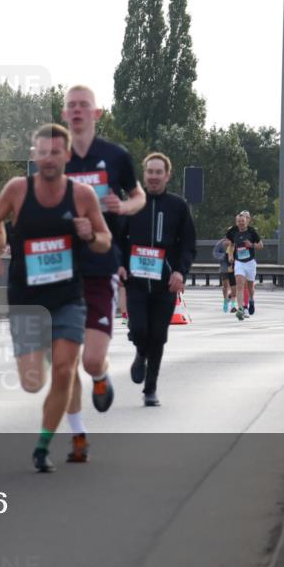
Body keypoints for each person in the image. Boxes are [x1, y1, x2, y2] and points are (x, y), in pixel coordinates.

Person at [0, 124, 111, 472]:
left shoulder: (82, 195)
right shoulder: (17, 189)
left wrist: (90, 234)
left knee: (65, 369)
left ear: (66, 155)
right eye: (42, 152)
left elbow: (105, 241)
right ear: (33, 155)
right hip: (26, 299)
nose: (49, 159)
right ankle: (68, 427)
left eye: (55, 152)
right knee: (32, 381)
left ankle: (43, 446)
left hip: (68, 297)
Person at [61, 86, 145, 453]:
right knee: (65, 361)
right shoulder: (55, 157)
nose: (78, 110)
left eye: (85, 105)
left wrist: (122, 207)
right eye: (71, 106)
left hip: (100, 262)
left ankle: (99, 374)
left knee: (91, 359)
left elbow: (138, 196)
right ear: (64, 115)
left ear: (97, 114)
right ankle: (78, 434)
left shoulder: (115, 156)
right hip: (61, 267)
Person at [120, 153, 196, 407]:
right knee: (140, 330)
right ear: (144, 174)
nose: (153, 177)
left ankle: (150, 389)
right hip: (136, 282)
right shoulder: (131, 204)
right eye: (150, 172)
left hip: (165, 284)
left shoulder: (178, 206)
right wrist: (119, 266)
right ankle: (140, 352)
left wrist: (180, 272)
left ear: (167, 175)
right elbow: (117, 240)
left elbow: (188, 245)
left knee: (159, 335)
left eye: (158, 172)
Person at [225, 211, 263, 320]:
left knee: (250, 287)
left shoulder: (252, 232)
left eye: (243, 221)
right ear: (237, 223)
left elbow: (261, 245)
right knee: (240, 285)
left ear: (247, 221)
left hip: (250, 262)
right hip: (239, 262)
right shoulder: (234, 232)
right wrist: (230, 255)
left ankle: (251, 300)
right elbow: (230, 244)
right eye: (239, 221)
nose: (241, 223)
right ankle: (241, 308)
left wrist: (251, 245)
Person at [212, 236, 236, 313]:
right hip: (225, 267)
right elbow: (215, 253)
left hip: (235, 267)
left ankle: (233, 304)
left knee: (235, 286)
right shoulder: (221, 243)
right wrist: (224, 256)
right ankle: (225, 301)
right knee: (225, 286)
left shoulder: (236, 240)